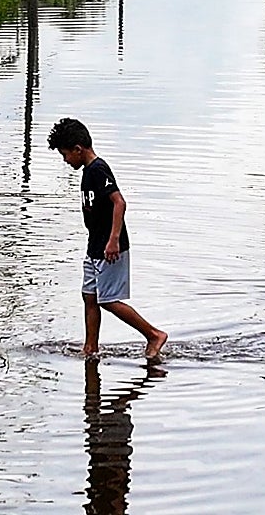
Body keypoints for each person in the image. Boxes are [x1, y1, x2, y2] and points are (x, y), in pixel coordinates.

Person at [48, 117, 168, 360]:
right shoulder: (87, 172)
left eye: (65, 154)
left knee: (108, 300)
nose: (65, 160)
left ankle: (154, 334)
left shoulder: (98, 169)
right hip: (94, 247)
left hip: (109, 247)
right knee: (89, 296)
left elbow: (119, 202)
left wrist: (113, 240)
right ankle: (90, 349)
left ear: (78, 149)